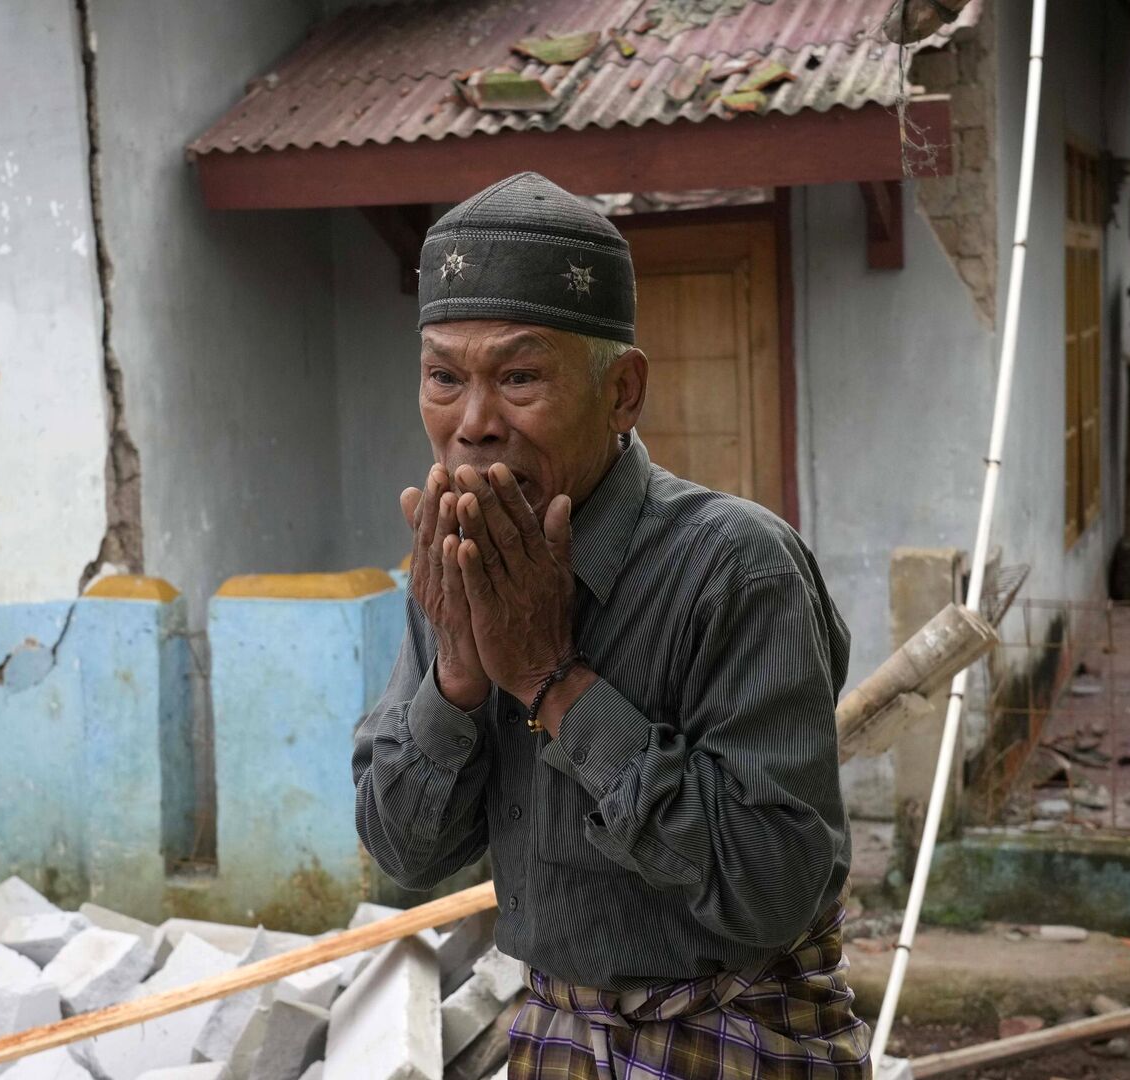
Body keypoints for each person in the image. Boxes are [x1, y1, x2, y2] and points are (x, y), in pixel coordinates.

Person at [351, 171, 870, 1079]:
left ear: (622, 393)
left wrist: (553, 679)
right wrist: (462, 680)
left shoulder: (737, 566)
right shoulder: (459, 561)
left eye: (519, 377)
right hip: (555, 1036)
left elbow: (772, 886)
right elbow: (404, 853)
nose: (471, 425)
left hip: (737, 1037)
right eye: (443, 377)